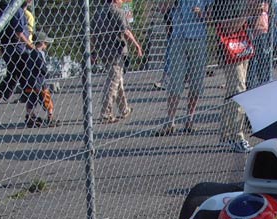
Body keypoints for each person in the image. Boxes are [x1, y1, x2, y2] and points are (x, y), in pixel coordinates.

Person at [155, 0, 212, 135]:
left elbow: (211, 18)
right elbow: (162, 8)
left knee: (196, 82)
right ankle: (170, 121)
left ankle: (189, 119)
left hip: (198, 38)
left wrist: (202, 14)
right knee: (175, 81)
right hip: (178, 38)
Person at [0, 0, 35, 126]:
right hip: (18, 50)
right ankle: (30, 115)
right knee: (27, 79)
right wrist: (30, 45)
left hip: (9, 50)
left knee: (11, 78)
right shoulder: (18, 11)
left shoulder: (13, 9)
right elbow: (19, 33)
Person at [213, 0, 256, 152]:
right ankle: (237, 136)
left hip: (241, 46)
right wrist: (249, 12)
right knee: (239, 90)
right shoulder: (224, 4)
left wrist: (254, 12)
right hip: (229, 50)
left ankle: (225, 134)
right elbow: (227, 26)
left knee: (233, 92)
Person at [92, 0, 143, 124]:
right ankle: (106, 113)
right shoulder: (118, 12)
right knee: (112, 83)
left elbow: (93, 35)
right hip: (116, 51)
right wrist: (137, 45)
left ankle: (124, 109)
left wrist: (94, 51)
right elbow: (125, 31)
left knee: (117, 80)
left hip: (103, 51)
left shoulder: (98, 13)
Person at [22, 32, 59, 128]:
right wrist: (46, 73)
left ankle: (30, 117)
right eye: (45, 43)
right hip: (39, 82)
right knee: (47, 100)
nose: (46, 45)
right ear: (41, 43)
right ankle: (50, 117)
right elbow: (41, 67)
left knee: (31, 101)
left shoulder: (30, 53)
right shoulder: (38, 54)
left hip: (30, 82)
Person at [246, 0, 272, 89]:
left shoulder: (265, 3)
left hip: (262, 32)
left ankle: (263, 82)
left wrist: (258, 8)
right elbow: (253, 10)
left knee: (263, 59)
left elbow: (263, 9)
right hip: (253, 33)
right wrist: (255, 9)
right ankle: (251, 84)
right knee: (253, 60)